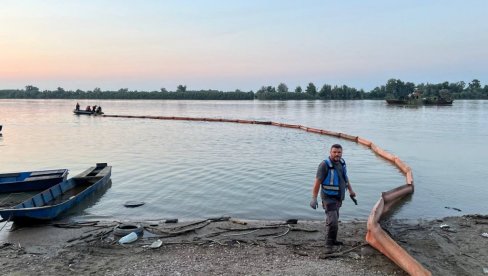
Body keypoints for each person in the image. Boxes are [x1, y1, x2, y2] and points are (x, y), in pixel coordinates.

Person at [310, 144, 356, 254]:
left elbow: (345, 177)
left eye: (339, 152)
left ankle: (334, 240)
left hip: (339, 197)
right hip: (328, 197)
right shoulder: (324, 165)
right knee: (333, 221)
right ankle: (328, 245)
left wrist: (351, 190)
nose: (337, 154)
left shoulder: (342, 163)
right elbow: (317, 182)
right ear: (330, 152)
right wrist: (314, 198)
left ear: (342, 153)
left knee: (335, 219)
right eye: (334, 152)